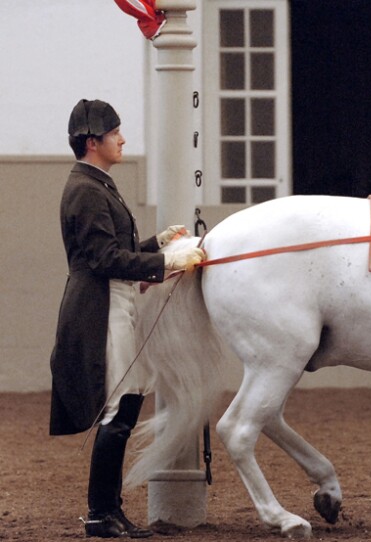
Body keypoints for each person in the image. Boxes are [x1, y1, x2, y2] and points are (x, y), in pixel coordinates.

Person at [49, 99, 206, 538]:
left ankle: (110, 510)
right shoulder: (86, 189)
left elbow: (116, 249)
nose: (122, 139)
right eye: (115, 133)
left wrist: (158, 243)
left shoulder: (98, 184)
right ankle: (101, 514)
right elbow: (103, 258)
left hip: (118, 302)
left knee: (129, 403)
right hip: (102, 307)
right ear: (93, 141)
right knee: (117, 410)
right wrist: (166, 264)